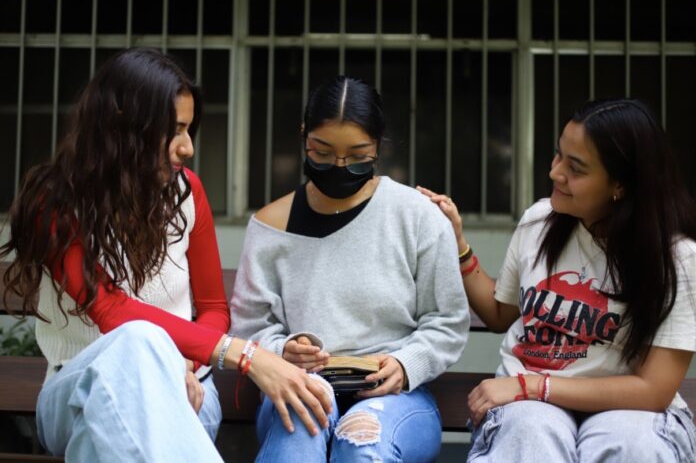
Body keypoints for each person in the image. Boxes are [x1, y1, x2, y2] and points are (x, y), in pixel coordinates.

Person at [0, 47, 331, 462]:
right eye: (175, 130)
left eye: (189, 130)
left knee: (101, 439)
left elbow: (213, 307)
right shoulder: (54, 202)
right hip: (75, 392)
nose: (188, 147)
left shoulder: (187, 193)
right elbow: (112, 312)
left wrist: (181, 367)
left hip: (189, 388)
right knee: (138, 340)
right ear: (124, 125)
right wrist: (247, 356)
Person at [419, 98, 696, 461]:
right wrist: (458, 244)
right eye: (558, 155)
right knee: (531, 432)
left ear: (621, 184)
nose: (555, 172)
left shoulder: (677, 257)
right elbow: (500, 314)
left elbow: (653, 390)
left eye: (575, 168)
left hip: (628, 409)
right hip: (530, 408)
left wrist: (534, 385)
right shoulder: (539, 221)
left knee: (632, 445)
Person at [230, 75, 470, 462]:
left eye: (357, 156)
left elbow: (447, 320)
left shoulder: (417, 217)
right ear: (304, 137)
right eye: (322, 153)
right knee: (296, 439)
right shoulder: (270, 226)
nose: (339, 167)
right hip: (299, 386)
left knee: (361, 444)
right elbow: (250, 325)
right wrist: (282, 350)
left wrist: (406, 364)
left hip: (396, 396)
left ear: (378, 147)